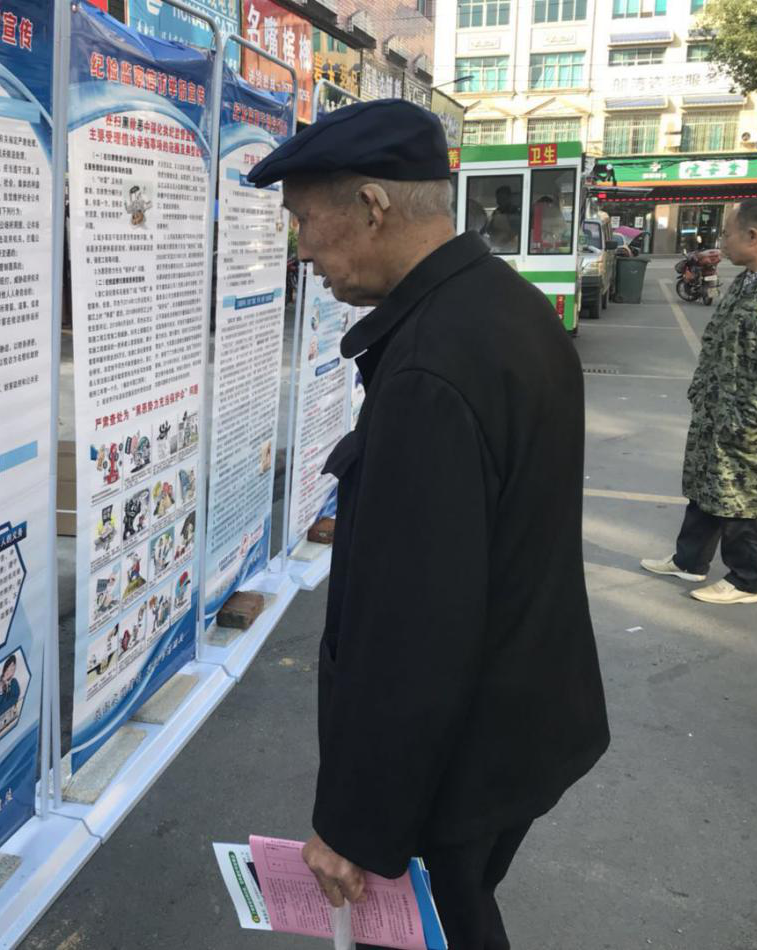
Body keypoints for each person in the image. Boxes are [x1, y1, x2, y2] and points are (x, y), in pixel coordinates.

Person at [247, 100, 609, 950]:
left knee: (438, 926)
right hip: (516, 723)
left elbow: (414, 628)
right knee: (459, 914)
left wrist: (355, 824)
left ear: (371, 206)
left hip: (460, 754)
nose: (302, 250)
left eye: (304, 221)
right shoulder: (503, 307)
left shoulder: (430, 369)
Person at [641, 200, 757, 604]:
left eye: (727, 233)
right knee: (706, 487)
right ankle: (690, 561)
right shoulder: (747, 280)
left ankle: (745, 580)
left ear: (752, 235)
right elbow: (718, 340)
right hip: (716, 410)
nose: (722, 241)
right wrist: (701, 391)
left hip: (752, 422)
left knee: (745, 498)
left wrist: (751, 416)